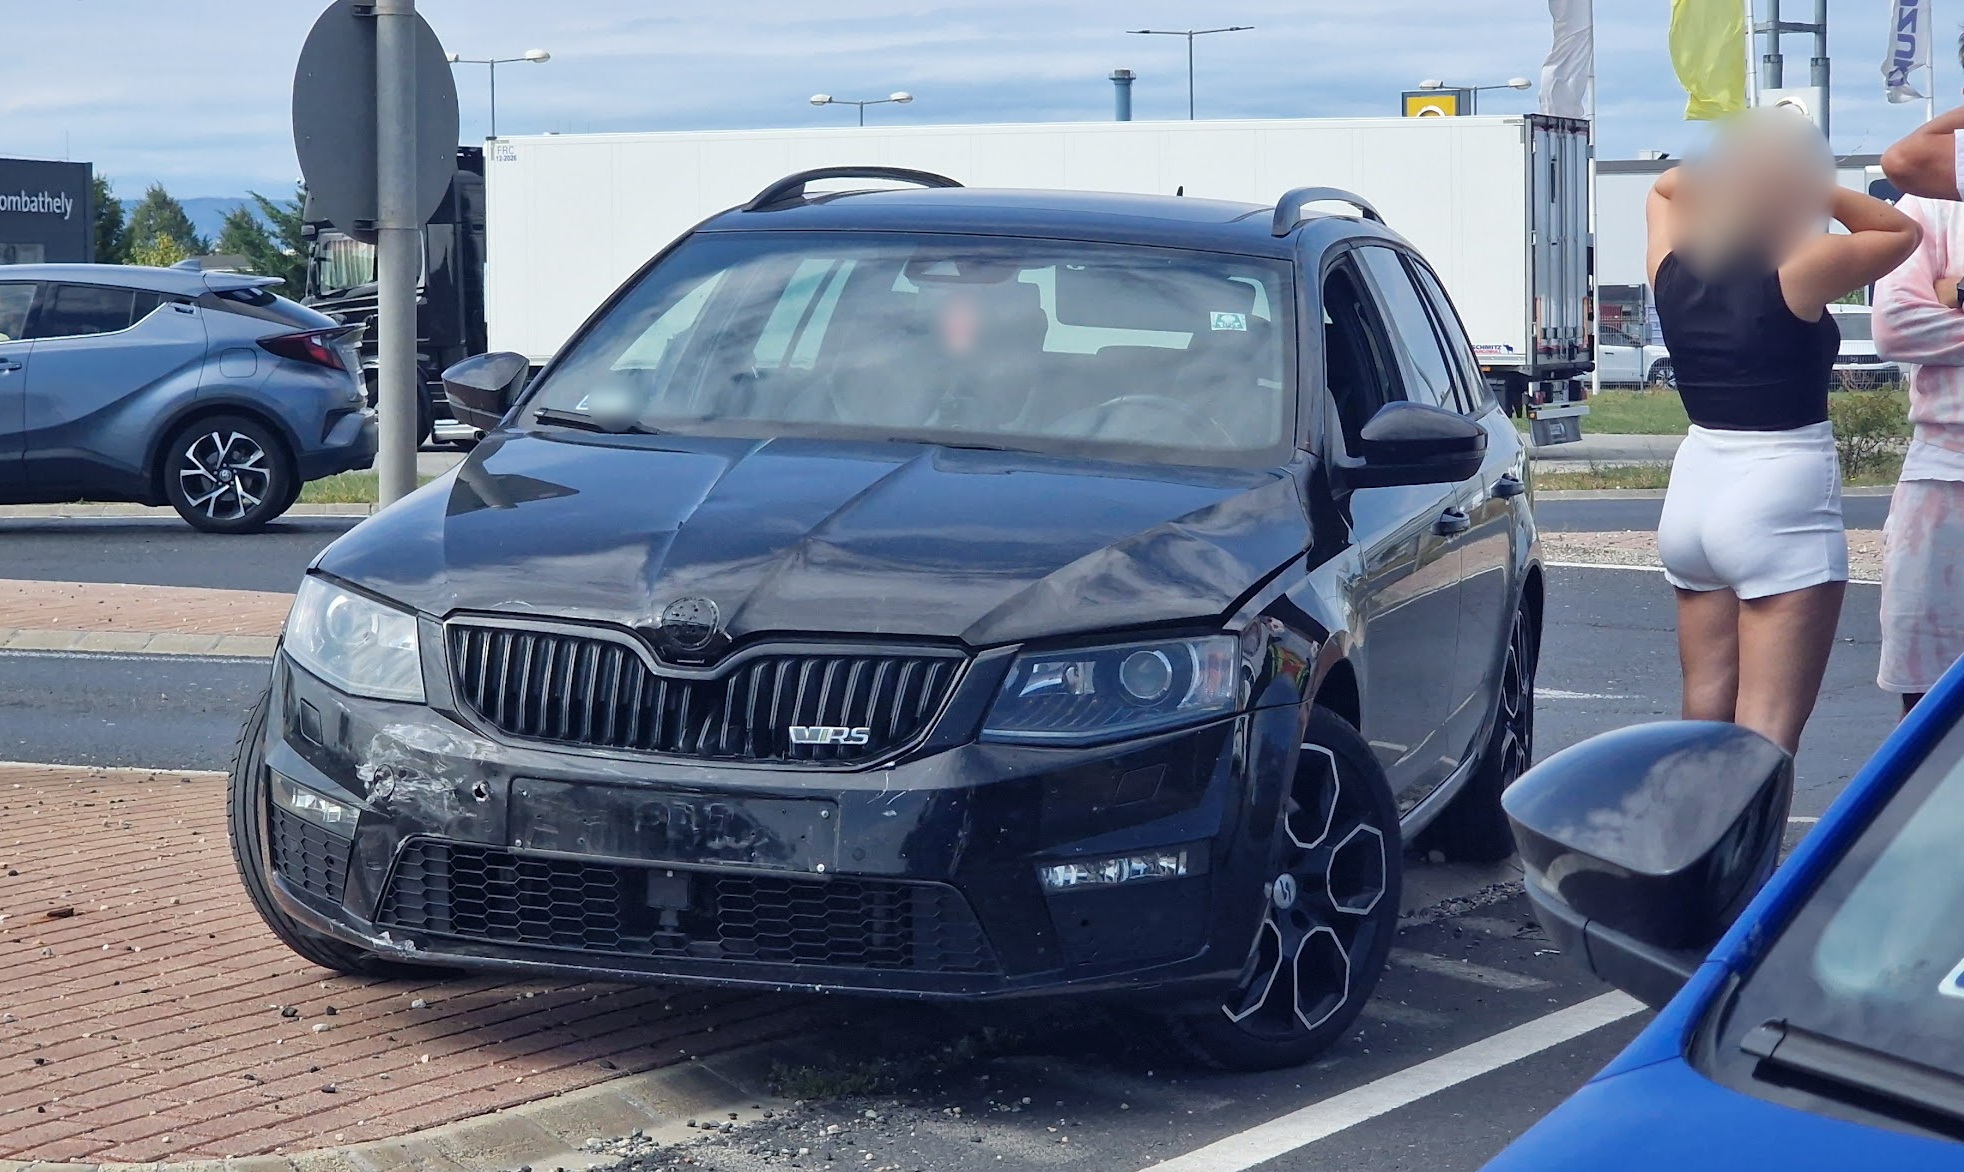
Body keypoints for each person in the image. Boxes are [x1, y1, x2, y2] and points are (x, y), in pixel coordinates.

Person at [1648, 109, 1921, 754]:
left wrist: (1732, 177)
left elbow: (1663, 188)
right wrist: (1808, 189)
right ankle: (1758, 859)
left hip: (1694, 483)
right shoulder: (1801, 267)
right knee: (1768, 730)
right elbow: (1899, 230)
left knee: (1704, 712)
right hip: (1780, 486)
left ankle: (1697, 855)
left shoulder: (1673, 268)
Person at [1873, 101, 1964, 714]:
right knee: (1926, 706)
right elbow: (1897, 327)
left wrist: (1951, 293)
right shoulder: (1927, 206)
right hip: (1943, 475)